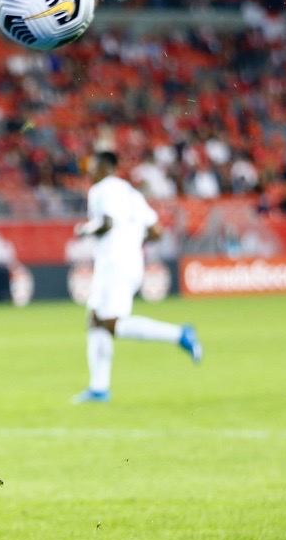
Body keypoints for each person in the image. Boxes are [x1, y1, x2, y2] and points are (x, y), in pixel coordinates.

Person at [72, 150, 201, 404]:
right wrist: (132, 241)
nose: (89, 172)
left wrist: (84, 229)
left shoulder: (101, 190)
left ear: (106, 168)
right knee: (95, 319)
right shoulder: (131, 193)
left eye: (93, 166)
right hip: (129, 261)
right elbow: (156, 231)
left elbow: (105, 223)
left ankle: (179, 334)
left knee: (111, 323)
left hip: (114, 263)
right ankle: (99, 388)